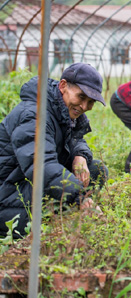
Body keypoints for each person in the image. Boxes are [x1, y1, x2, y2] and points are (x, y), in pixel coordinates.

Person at [0, 63, 108, 238]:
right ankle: (57, 216)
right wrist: (79, 197)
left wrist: (80, 155)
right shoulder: (34, 115)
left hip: (29, 181)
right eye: (81, 97)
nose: (84, 106)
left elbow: (76, 138)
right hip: (10, 188)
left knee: (96, 170)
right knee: (27, 227)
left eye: (90, 102)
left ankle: (61, 213)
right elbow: (41, 165)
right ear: (63, 86)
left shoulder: (62, 109)